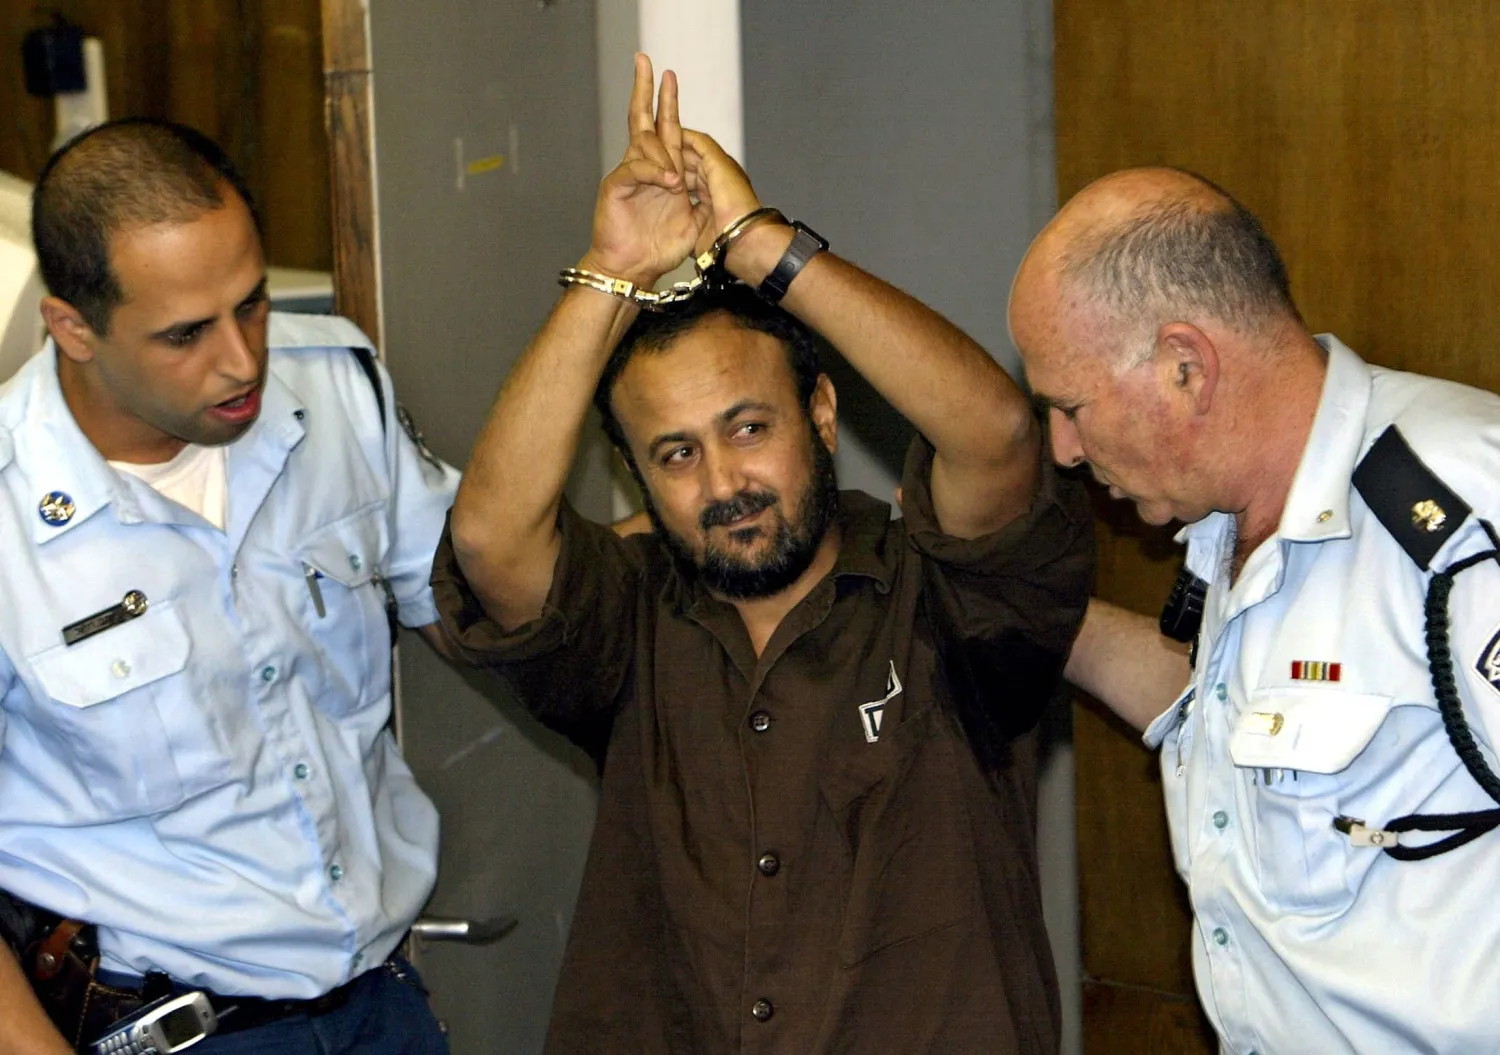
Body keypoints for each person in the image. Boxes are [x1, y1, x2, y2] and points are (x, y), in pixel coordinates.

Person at [430, 55, 1094, 1054]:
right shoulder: (627, 620)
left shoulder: (943, 595)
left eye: (749, 428)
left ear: (821, 415)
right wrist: (612, 273)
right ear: (638, 477)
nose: (724, 481)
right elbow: (489, 539)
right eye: (677, 453)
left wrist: (758, 245)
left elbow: (997, 434)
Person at [1013, 166, 1500, 1052]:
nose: (1065, 449)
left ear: (1185, 366)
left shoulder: (1456, 509)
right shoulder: (1226, 530)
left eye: (1071, 406)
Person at [0, 118, 459, 1054]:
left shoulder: (331, 385)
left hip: (379, 1008)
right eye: (185, 334)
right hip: (156, 1026)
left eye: (251, 305)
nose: (243, 359)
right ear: (72, 327)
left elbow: (483, 603)